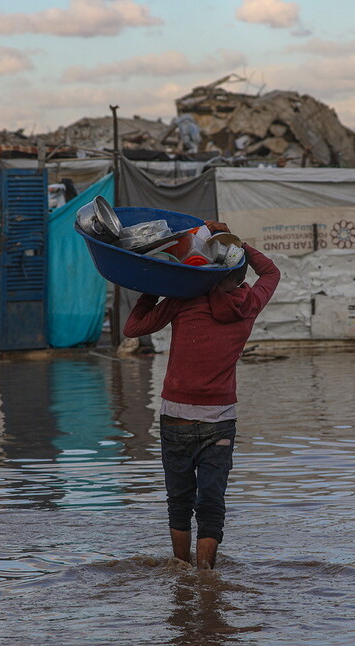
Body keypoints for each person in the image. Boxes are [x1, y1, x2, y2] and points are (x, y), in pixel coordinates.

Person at [123, 222, 280, 569]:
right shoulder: (251, 302)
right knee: (211, 503)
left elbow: (132, 329)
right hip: (220, 421)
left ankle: (180, 572)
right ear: (239, 278)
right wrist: (238, 241)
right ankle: (206, 578)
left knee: (179, 501)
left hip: (175, 417)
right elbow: (270, 271)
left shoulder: (184, 298)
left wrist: (154, 286)